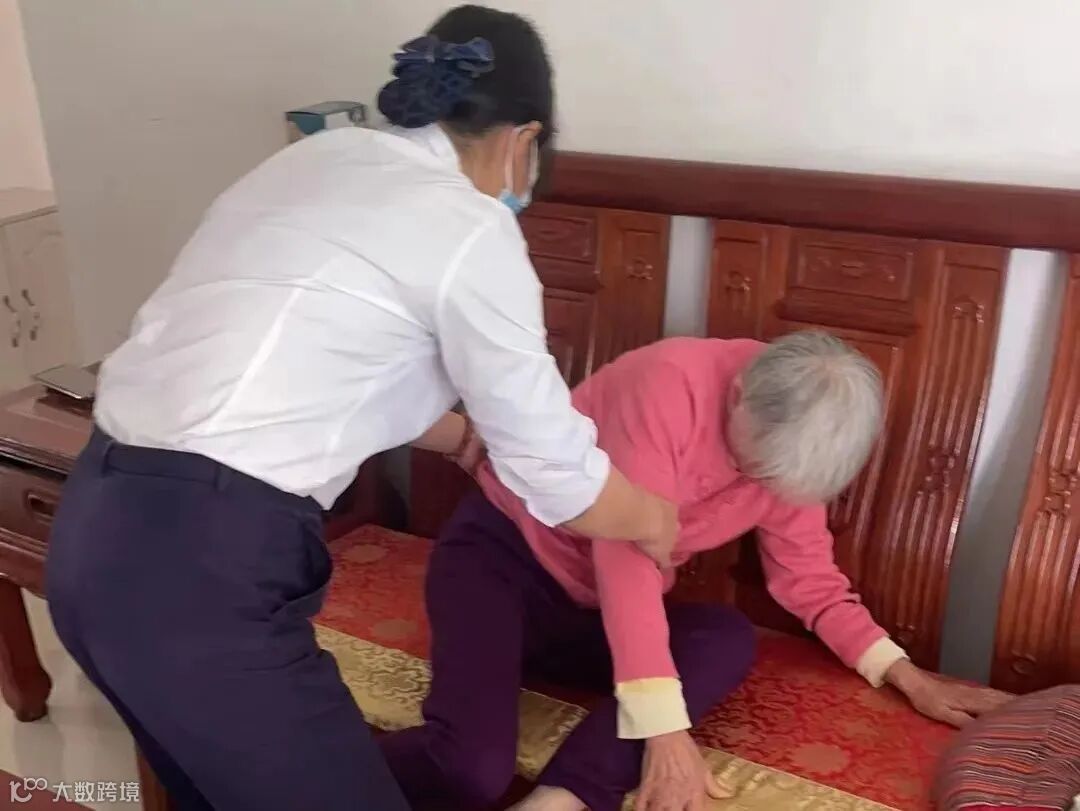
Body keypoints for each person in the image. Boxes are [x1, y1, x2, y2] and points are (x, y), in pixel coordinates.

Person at [44, 7, 678, 810]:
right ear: (524, 139)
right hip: (204, 569)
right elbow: (562, 478)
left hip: (95, 529)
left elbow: (311, 361)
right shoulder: (470, 229)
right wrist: (652, 517)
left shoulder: (318, 158)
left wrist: (461, 436)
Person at [380, 332, 1013, 811]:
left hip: (591, 615)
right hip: (503, 564)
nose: (759, 485)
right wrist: (666, 731)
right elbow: (625, 560)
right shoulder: (669, 384)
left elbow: (810, 581)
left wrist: (906, 676)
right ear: (738, 395)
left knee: (725, 637)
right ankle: (317, 763)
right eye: (754, 467)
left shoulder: (797, 442)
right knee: (470, 769)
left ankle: (560, 800)